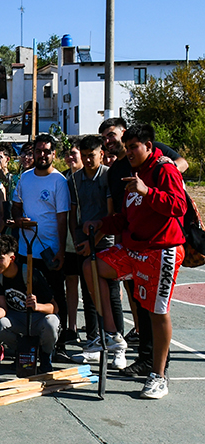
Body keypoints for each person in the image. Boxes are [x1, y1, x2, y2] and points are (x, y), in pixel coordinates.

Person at [83, 124, 187, 399]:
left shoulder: (163, 169)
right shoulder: (133, 174)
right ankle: (112, 334)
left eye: (134, 147)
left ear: (149, 147)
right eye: (126, 148)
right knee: (92, 266)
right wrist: (101, 223)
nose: (128, 152)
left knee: (157, 311)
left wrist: (147, 191)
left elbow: (179, 206)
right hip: (134, 248)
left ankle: (158, 376)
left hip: (161, 249)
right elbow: (125, 219)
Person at [68, 135, 126, 370]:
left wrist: (97, 239)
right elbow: (73, 213)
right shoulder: (74, 179)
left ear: (101, 154)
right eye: (84, 156)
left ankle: (118, 345)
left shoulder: (108, 176)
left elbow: (112, 214)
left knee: (111, 293)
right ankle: (94, 342)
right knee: (89, 293)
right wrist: (77, 239)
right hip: (84, 242)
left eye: (91, 155)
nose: (87, 160)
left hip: (105, 241)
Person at [11, 133, 70, 350]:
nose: (42, 155)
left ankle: (59, 341)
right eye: (38, 151)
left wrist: (61, 251)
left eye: (46, 151)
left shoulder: (59, 181)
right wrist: (18, 219)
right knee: (27, 295)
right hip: (28, 250)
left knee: (55, 296)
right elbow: (16, 205)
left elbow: (62, 217)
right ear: (33, 153)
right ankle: (31, 338)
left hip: (50, 251)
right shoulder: (25, 178)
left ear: (53, 154)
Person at [0, 234, 59, 373]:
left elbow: (54, 307)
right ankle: (22, 352)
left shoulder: (31, 274)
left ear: (12, 259)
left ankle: (45, 355)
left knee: (51, 323)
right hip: (17, 318)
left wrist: (37, 307)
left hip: (37, 318)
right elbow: (3, 307)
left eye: (0, 258)